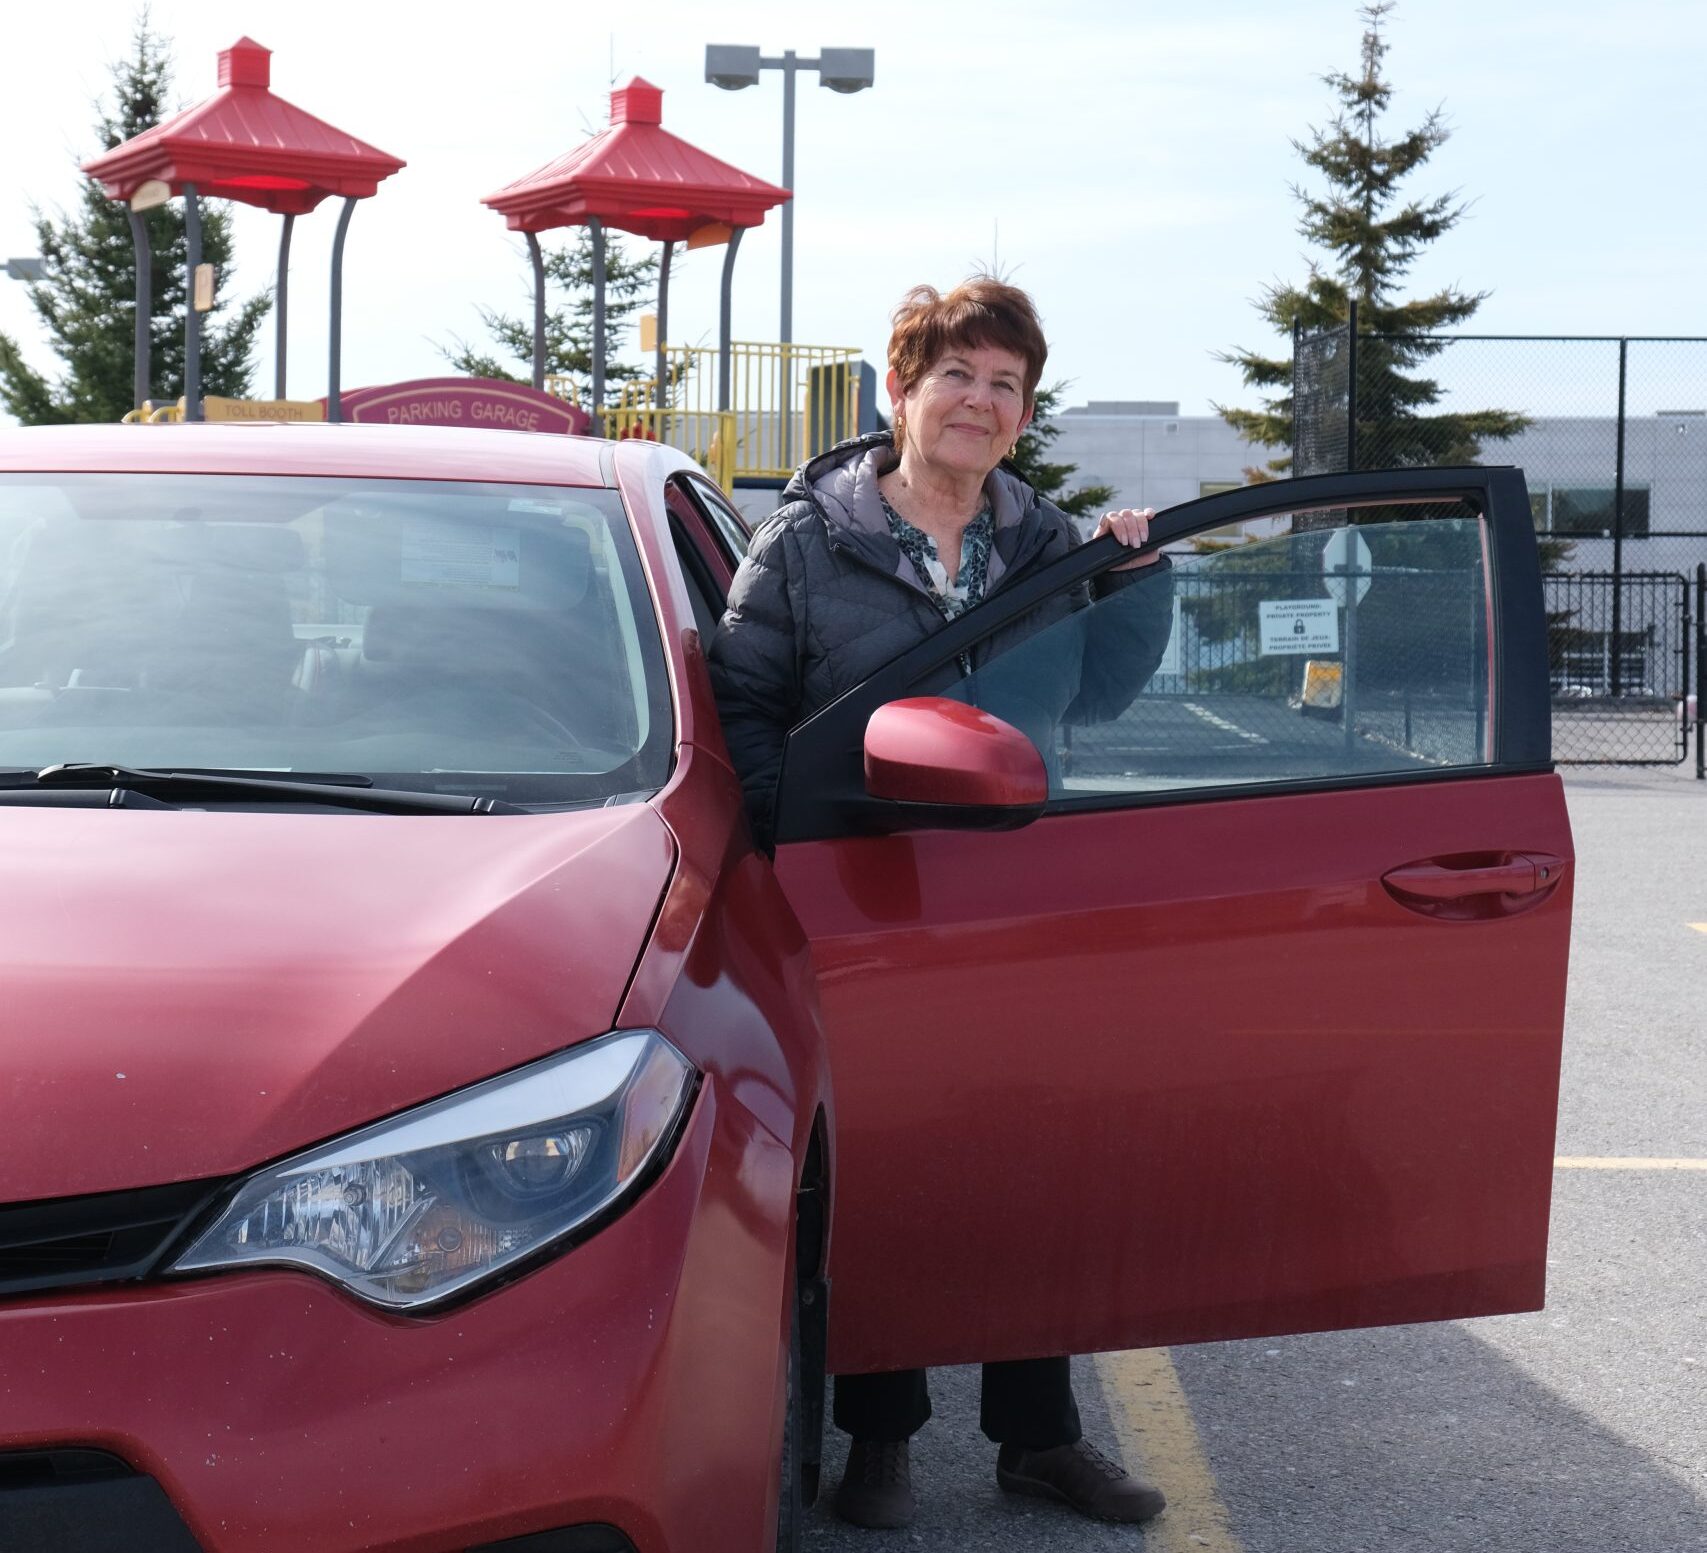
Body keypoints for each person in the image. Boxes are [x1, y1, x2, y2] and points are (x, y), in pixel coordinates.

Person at [708, 277, 1175, 1529]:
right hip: (866, 895)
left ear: (1023, 412)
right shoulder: (808, 542)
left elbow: (1097, 694)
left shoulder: (1048, 544)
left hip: (1016, 897)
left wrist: (1137, 580)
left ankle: (1040, 1434)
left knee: (1032, 1159)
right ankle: (882, 1434)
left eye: (1005, 383)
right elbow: (744, 700)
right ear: (902, 388)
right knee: (886, 1163)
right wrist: (799, 842)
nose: (980, 400)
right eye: (958, 373)